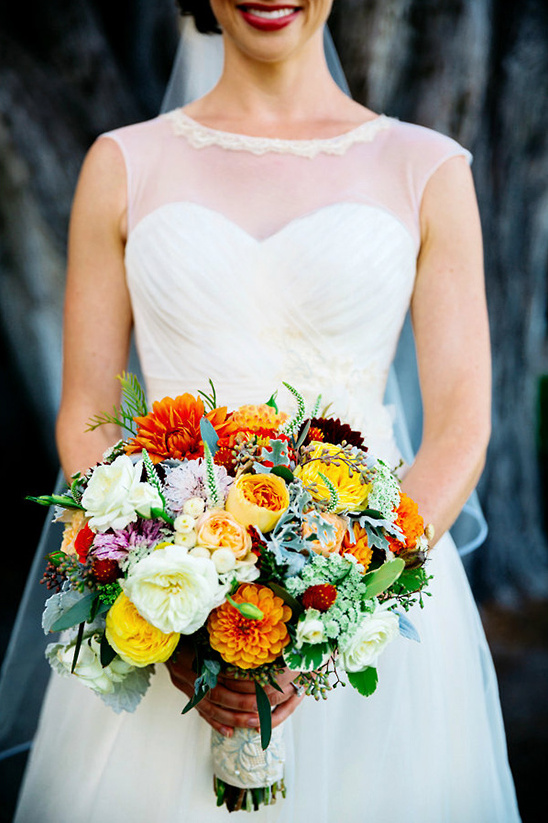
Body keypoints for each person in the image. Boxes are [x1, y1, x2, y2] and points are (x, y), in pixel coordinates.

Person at [13, 1, 521, 820]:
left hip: (372, 619)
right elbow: (88, 412)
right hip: (173, 602)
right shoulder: (123, 165)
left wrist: (334, 607)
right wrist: (157, 592)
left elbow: (464, 422)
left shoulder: (425, 168)